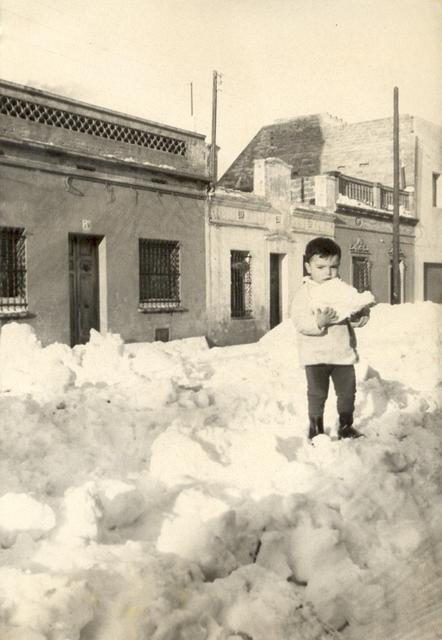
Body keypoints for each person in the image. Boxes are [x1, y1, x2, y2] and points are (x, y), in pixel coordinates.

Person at [290, 237, 370, 440]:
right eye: (321, 266)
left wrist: (359, 314)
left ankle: (345, 425)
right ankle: (315, 428)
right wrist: (319, 322)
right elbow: (300, 322)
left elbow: (352, 312)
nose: (328, 272)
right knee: (317, 394)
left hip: (341, 353)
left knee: (347, 392)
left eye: (333, 267)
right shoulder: (304, 293)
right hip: (315, 356)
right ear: (308, 266)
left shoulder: (340, 289)